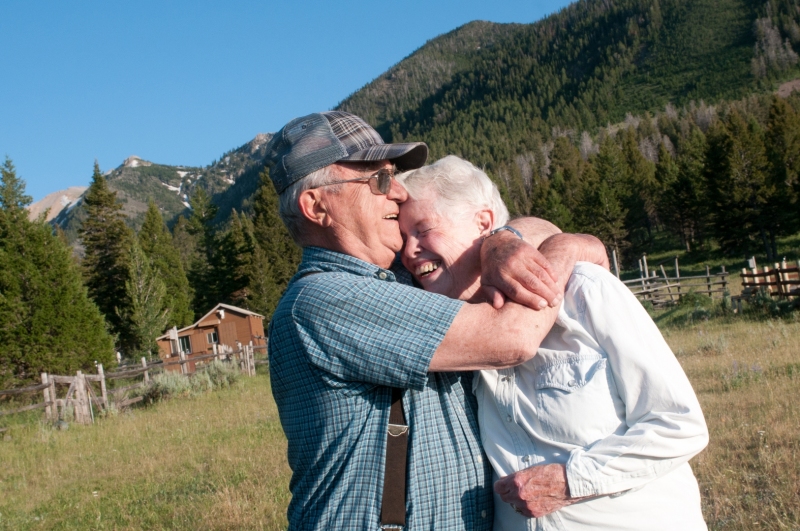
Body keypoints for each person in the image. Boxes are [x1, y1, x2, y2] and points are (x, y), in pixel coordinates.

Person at [264, 111, 606, 530]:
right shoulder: (325, 300)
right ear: (316, 206)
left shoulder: (404, 279)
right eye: (379, 180)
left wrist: (500, 240)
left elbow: (536, 227)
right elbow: (512, 338)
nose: (400, 193)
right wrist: (565, 251)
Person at [397, 155, 710, 530]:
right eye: (403, 238)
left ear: (483, 223)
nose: (409, 251)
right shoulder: (452, 334)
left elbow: (678, 424)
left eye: (423, 229)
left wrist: (570, 481)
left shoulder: (583, 292)